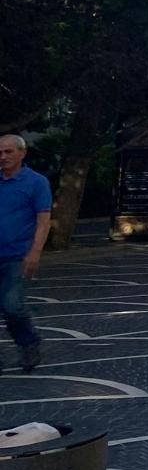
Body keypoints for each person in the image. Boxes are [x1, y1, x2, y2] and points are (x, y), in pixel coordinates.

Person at [0, 134, 50, 374]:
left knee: (12, 306)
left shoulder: (36, 182)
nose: (3, 157)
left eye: (8, 152)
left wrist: (35, 253)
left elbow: (43, 221)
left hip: (17, 256)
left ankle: (28, 342)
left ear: (22, 153)